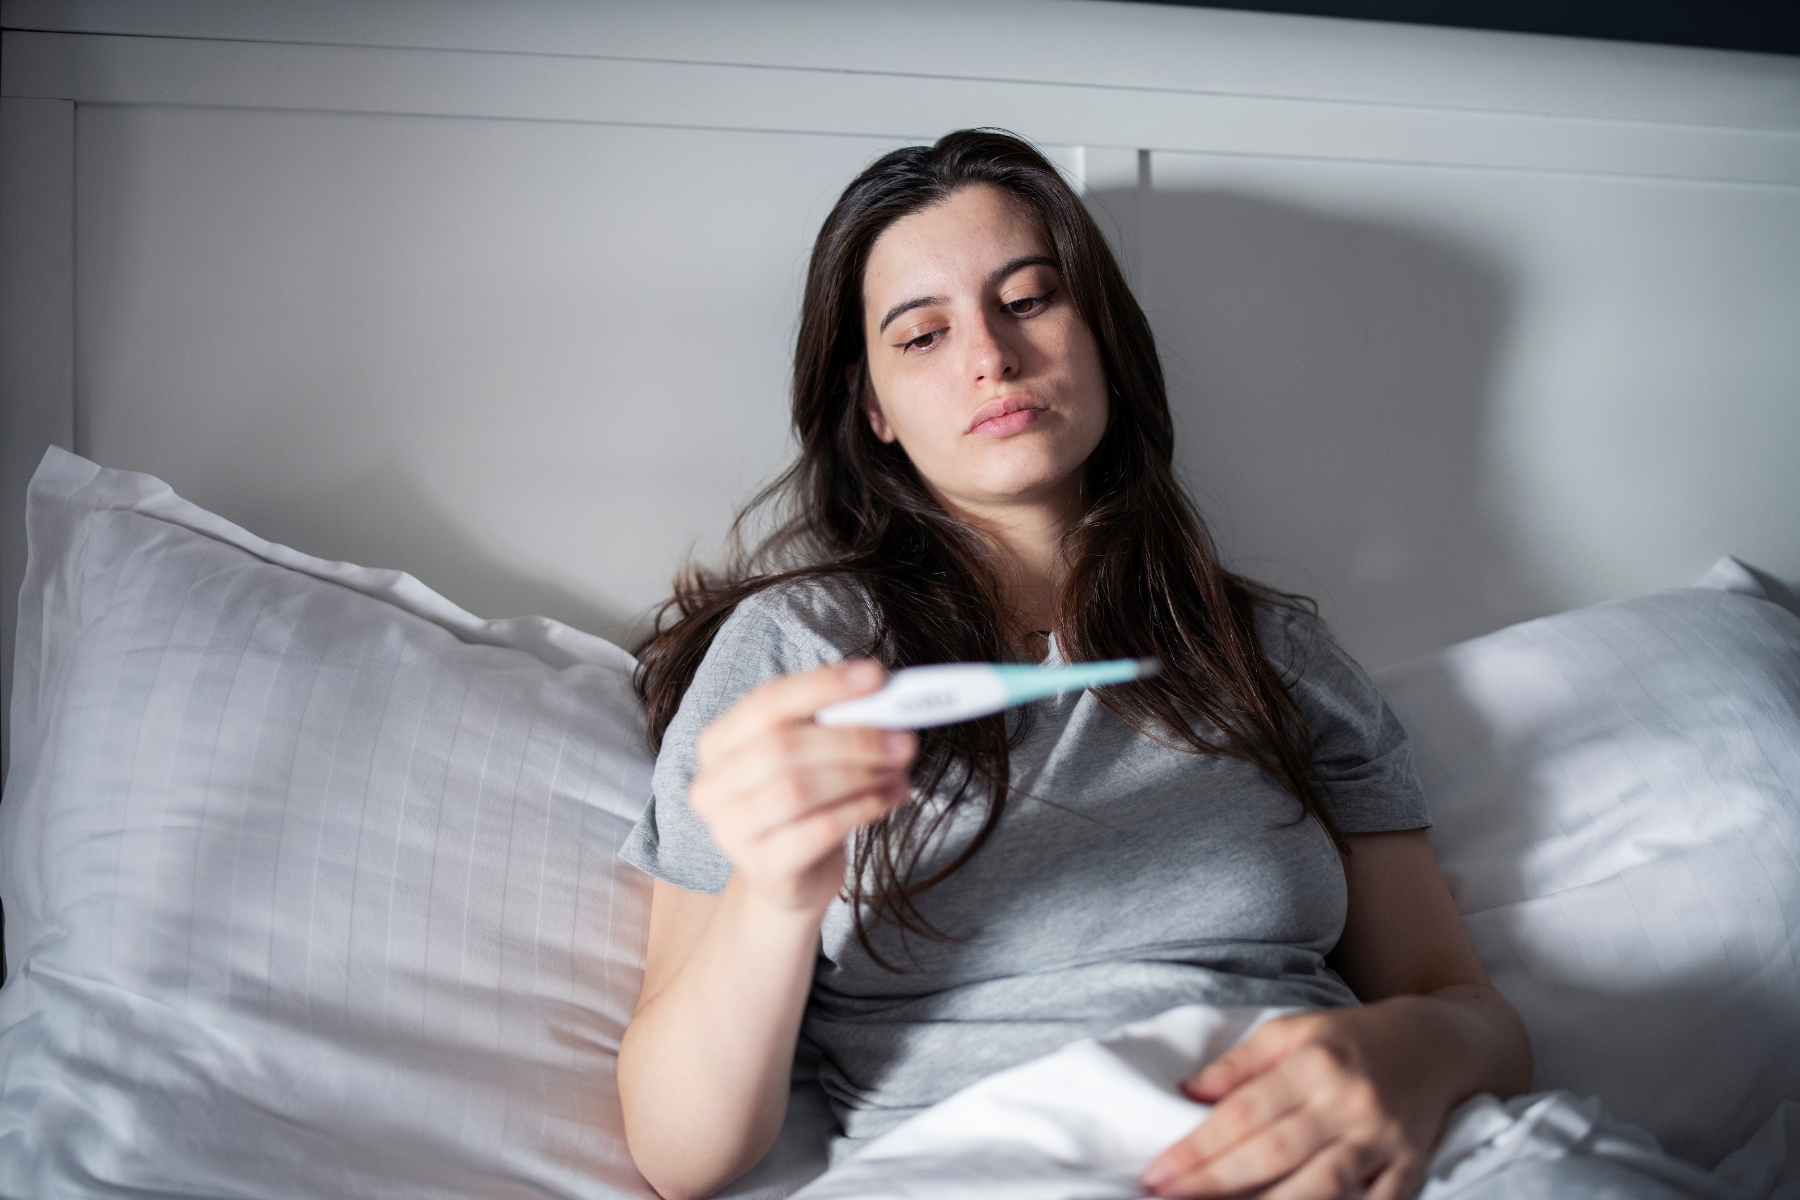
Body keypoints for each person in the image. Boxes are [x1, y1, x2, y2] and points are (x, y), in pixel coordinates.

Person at [614, 128, 1532, 1200]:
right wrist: (775, 895)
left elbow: (1464, 1006)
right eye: (920, 336)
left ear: (1101, 334)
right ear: (873, 412)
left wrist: (1411, 1056)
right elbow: (681, 1153)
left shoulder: (1274, 652)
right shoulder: (797, 655)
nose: (991, 358)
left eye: (1031, 298)